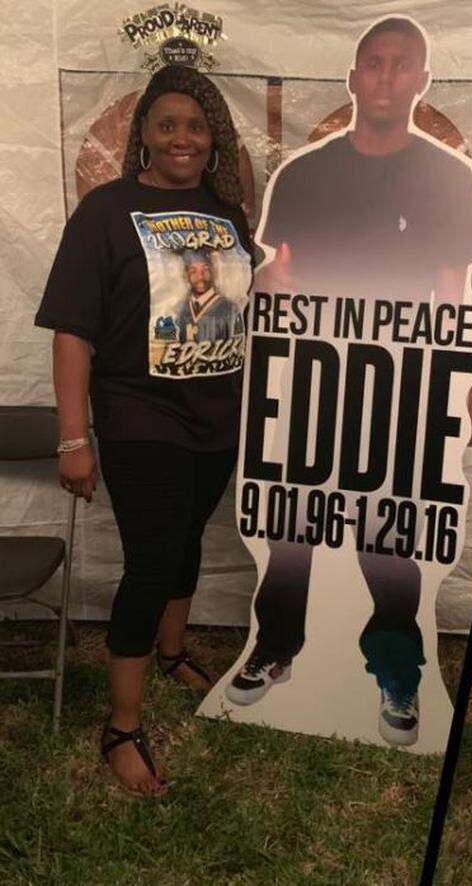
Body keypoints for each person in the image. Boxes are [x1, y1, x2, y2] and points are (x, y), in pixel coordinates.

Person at [224, 16, 472, 747]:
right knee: (293, 527)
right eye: (373, 63)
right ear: (352, 77)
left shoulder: (448, 176)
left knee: (390, 536)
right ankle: (275, 645)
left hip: (399, 390)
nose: (385, 76)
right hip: (311, 381)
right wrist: (268, 291)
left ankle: (397, 668)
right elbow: (278, 277)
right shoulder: (304, 173)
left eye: (401, 65)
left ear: (422, 81)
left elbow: (452, 298)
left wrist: (446, 390)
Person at [35, 64, 253, 795]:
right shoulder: (106, 210)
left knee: (187, 544)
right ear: (144, 137)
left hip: (217, 416)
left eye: (196, 126)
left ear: (212, 139)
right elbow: (73, 329)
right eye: (167, 125)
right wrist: (75, 437)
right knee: (152, 563)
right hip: (139, 415)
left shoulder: (228, 215)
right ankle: (121, 728)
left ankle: (172, 653)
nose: (182, 138)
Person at [171, 247, 245, 343]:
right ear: (186, 275)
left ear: (212, 271)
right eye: (193, 271)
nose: (200, 276)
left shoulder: (230, 310)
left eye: (205, 269)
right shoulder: (179, 310)